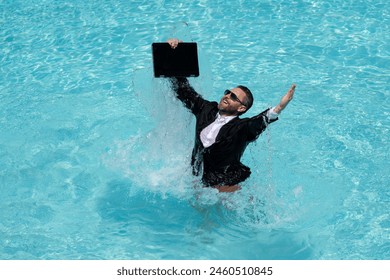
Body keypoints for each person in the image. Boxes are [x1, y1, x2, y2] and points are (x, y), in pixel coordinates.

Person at [167, 39, 296, 192]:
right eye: (228, 92)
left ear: (241, 108)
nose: (227, 96)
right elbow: (184, 91)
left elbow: (259, 121)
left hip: (223, 186)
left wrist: (280, 107)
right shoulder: (206, 109)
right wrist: (173, 53)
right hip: (198, 181)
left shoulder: (241, 128)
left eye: (234, 97)